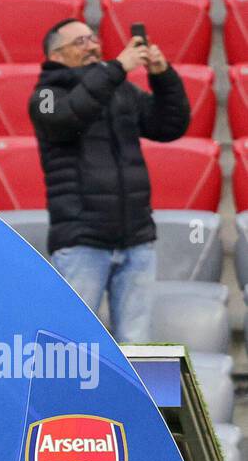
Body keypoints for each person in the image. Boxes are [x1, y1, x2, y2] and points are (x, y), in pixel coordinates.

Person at [29, 20, 190, 343]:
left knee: (136, 343)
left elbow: (169, 125)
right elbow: (68, 118)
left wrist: (162, 75)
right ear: (56, 55)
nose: (91, 46)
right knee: (71, 347)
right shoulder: (46, 95)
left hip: (136, 238)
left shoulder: (119, 90)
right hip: (81, 242)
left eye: (93, 39)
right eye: (80, 42)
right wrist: (117, 68)